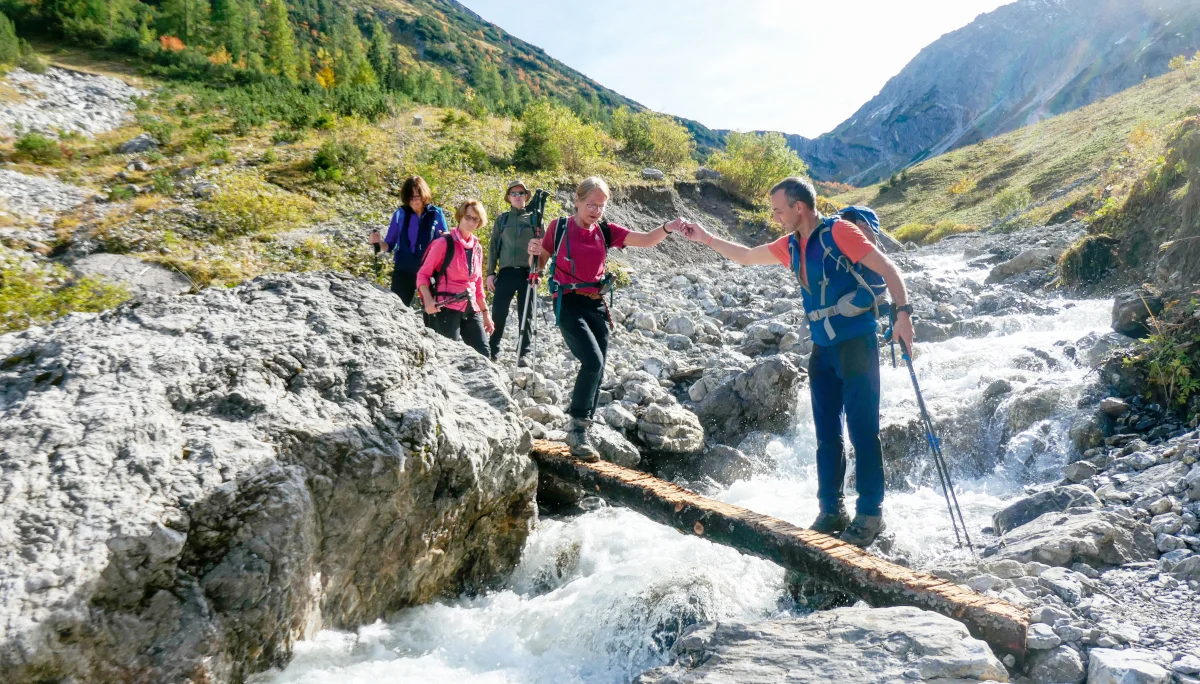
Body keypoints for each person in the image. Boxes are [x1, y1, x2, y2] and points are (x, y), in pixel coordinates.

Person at [679, 177, 914, 548]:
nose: (775, 217)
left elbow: (888, 269)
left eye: (778, 210)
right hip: (822, 352)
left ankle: (870, 513)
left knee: (863, 430)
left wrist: (904, 315)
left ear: (798, 207)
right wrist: (704, 237)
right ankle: (831, 510)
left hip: (857, 346)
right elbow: (744, 255)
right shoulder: (790, 245)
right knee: (826, 435)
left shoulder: (840, 233)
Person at [528, 177, 685, 462]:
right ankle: (576, 430)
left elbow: (647, 240)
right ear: (576, 201)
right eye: (591, 204)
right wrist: (535, 255)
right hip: (567, 303)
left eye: (601, 206)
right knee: (593, 361)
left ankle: (583, 426)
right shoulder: (559, 227)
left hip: (597, 306)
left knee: (598, 369)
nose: (596, 210)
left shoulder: (604, 230)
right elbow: (541, 264)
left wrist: (669, 228)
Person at [418, 199, 495, 356]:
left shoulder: (477, 248)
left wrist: (486, 314)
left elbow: (478, 284)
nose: (471, 222)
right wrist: (428, 300)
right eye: (468, 217)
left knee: (483, 354)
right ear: (460, 216)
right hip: (446, 307)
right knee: (447, 355)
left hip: (471, 307)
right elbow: (422, 275)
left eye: (476, 219)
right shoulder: (443, 243)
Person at [369, 176, 448, 315]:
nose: (415, 200)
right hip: (403, 270)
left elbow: (444, 243)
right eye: (410, 197)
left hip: (429, 271)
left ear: (424, 195)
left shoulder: (436, 213)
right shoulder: (400, 214)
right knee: (397, 311)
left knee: (433, 313)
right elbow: (389, 245)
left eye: (417, 196)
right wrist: (377, 242)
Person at [486, 180, 541, 364]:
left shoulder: (535, 219)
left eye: (521, 193)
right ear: (508, 197)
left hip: (528, 272)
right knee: (498, 313)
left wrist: (539, 272)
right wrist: (490, 273)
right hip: (506, 272)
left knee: (526, 314)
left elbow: (545, 248)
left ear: (526, 196)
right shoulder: (502, 220)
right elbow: (493, 247)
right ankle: (492, 349)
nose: (518, 196)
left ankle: (523, 353)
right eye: (514, 193)